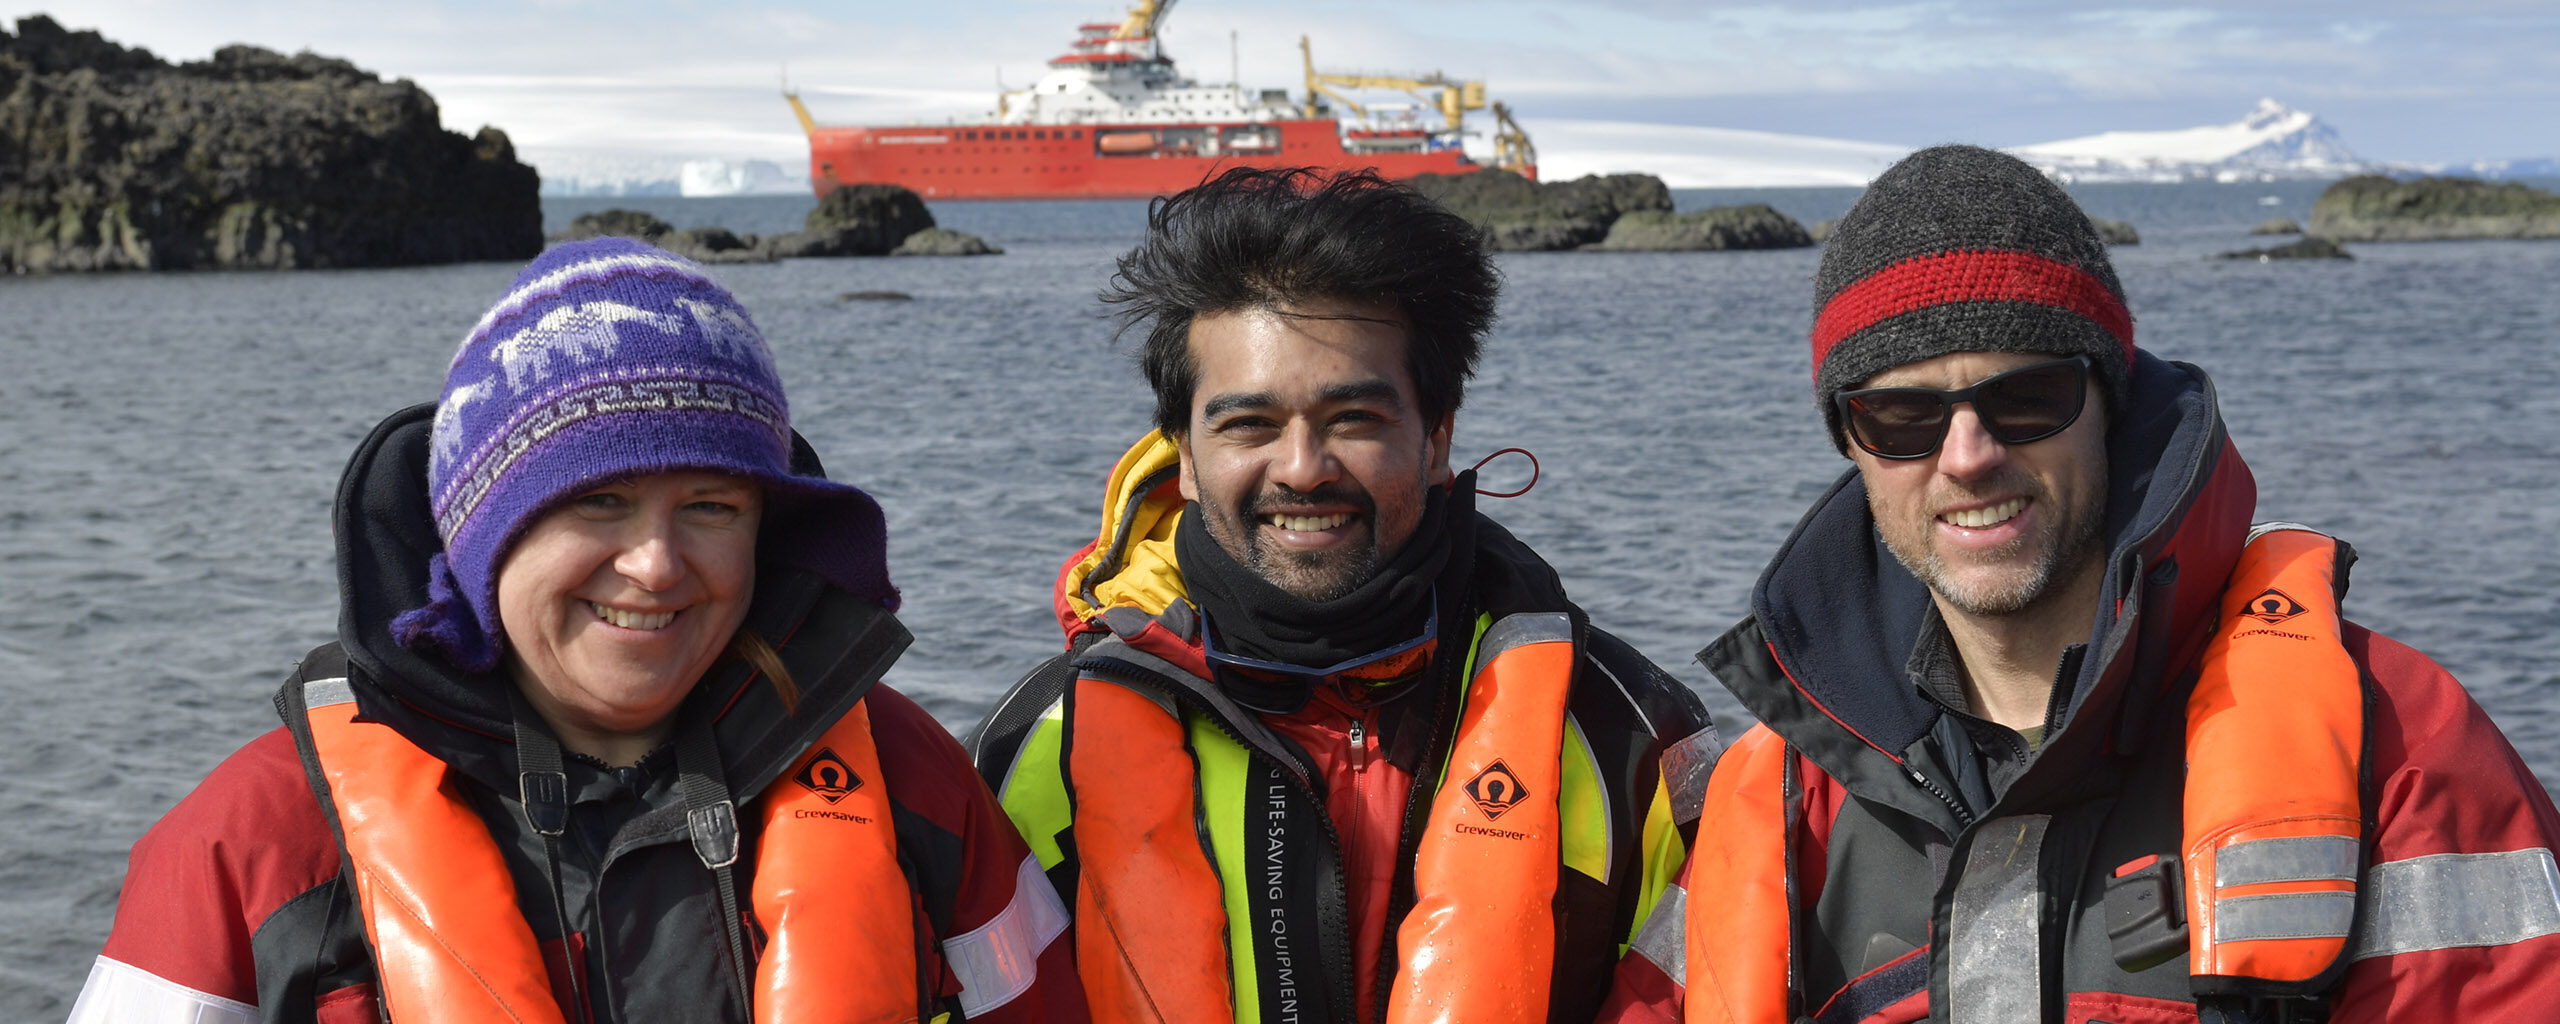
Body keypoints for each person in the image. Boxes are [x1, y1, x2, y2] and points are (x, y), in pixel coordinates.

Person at [1598, 145, 2560, 1023]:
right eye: (1901, 416)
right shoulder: (1769, 803)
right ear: (1852, 444)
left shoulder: (2402, 749)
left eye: (2025, 397)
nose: (1967, 458)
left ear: (2110, 399)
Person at [68, 238, 1086, 1023]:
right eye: (595, 501)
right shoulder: (250, 844)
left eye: (712, 506)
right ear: (480, 538)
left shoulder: (909, 779)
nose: (655, 564)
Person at [969, 167, 1715, 1024]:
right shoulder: (1037, 745)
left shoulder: (1627, 732)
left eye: (1354, 420)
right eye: (1248, 424)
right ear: (1182, 453)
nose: (1300, 468)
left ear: (1437, 439)